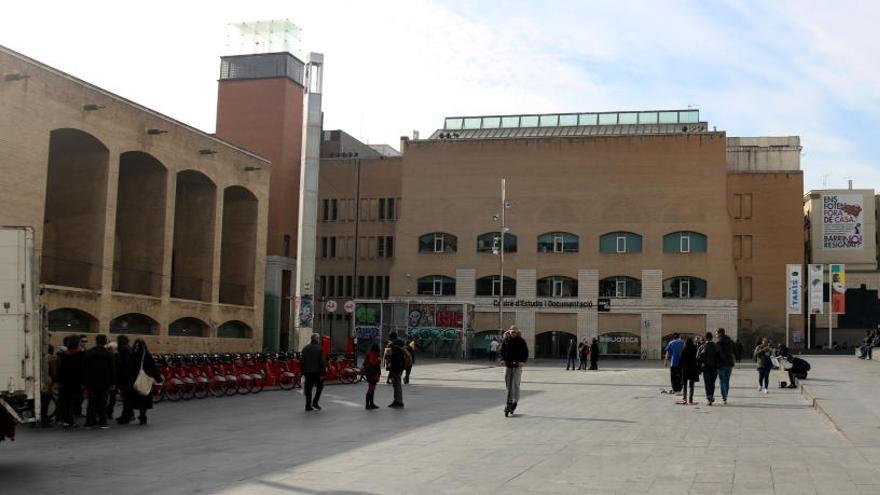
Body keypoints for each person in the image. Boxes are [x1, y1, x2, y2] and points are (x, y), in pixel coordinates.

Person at [117, 339, 162, 425]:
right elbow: (153, 369)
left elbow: (126, 369)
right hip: (143, 382)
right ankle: (142, 418)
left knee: (129, 401)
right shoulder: (147, 356)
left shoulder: (132, 355)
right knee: (143, 401)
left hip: (132, 382)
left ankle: (126, 418)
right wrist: (158, 379)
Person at [83, 334, 115, 429]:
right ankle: (103, 422)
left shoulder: (89, 352)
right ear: (105, 342)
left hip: (91, 381)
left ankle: (89, 422)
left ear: (96, 341)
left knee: (91, 402)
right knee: (103, 402)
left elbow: (84, 368)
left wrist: (84, 381)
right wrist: (113, 382)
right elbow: (112, 369)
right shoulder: (109, 354)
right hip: (105, 381)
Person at [56, 335, 85, 427]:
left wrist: (58, 380)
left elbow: (60, 368)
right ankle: (69, 420)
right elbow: (82, 369)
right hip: (75, 381)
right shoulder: (80, 354)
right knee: (72, 401)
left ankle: (64, 419)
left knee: (64, 401)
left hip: (64, 381)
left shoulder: (64, 354)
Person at [500, 326, 528, 417]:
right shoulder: (506, 340)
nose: (513, 333)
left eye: (515, 332)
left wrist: (522, 361)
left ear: (517, 332)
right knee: (508, 383)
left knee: (515, 383)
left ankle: (515, 401)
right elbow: (502, 351)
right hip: (508, 364)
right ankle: (509, 400)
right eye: (512, 332)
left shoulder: (521, 341)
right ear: (509, 332)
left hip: (517, 365)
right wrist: (502, 360)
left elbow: (525, 352)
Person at [301, 333, 327, 412]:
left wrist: (302, 372)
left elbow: (302, 361)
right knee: (320, 387)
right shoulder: (320, 349)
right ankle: (315, 402)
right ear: (317, 339)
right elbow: (322, 362)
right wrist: (323, 373)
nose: (319, 340)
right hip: (317, 372)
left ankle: (308, 405)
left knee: (308, 389)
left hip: (308, 372)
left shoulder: (305, 348)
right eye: (318, 338)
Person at [109, 335, 130, 420]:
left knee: (112, 395)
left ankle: (109, 412)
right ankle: (128, 413)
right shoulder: (129, 348)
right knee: (126, 396)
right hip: (126, 376)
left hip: (118, 375)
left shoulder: (120, 350)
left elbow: (119, 362)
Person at [697, 332, 721, 406]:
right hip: (714, 368)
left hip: (706, 368)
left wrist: (700, 367)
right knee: (712, 383)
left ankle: (709, 398)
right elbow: (720, 356)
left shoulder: (702, 346)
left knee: (707, 383)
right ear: (712, 338)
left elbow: (697, 357)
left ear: (706, 338)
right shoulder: (716, 346)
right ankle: (711, 396)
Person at [385, 332, 406, 408]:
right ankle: (397, 400)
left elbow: (389, 356)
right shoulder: (401, 343)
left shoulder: (393, 345)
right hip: (401, 366)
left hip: (395, 366)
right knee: (397, 384)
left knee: (396, 384)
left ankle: (398, 401)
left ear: (391, 338)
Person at [715, 328, 736, 404]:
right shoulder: (730, 341)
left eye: (717, 333)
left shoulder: (719, 343)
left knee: (722, 381)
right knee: (727, 381)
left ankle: (724, 397)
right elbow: (734, 350)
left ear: (720, 333)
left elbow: (718, 354)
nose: (716, 335)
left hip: (721, 364)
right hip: (729, 363)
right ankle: (725, 395)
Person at [40, 344, 59, 427]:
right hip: (48, 382)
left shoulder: (40, 357)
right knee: (45, 402)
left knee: (41, 401)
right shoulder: (52, 358)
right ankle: (44, 420)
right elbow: (54, 372)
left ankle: (40, 417)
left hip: (39, 381)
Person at [678, 337, 700, 405]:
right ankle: (690, 400)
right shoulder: (694, 349)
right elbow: (696, 358)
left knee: (685, 385)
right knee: (691, 385)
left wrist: (679, 368)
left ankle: (684, 399)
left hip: (685, 369)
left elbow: (681, 360)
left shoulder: (684, 349)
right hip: (692, 368)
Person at [362, 343, 382, 410]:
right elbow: (373, 363)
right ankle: (368, 405)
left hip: (372, 374)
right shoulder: (372, 354)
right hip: (372, 374)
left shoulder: (371, 353)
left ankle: (372, 404)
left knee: (372, 389)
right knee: (370, 389)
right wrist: (379, 360)